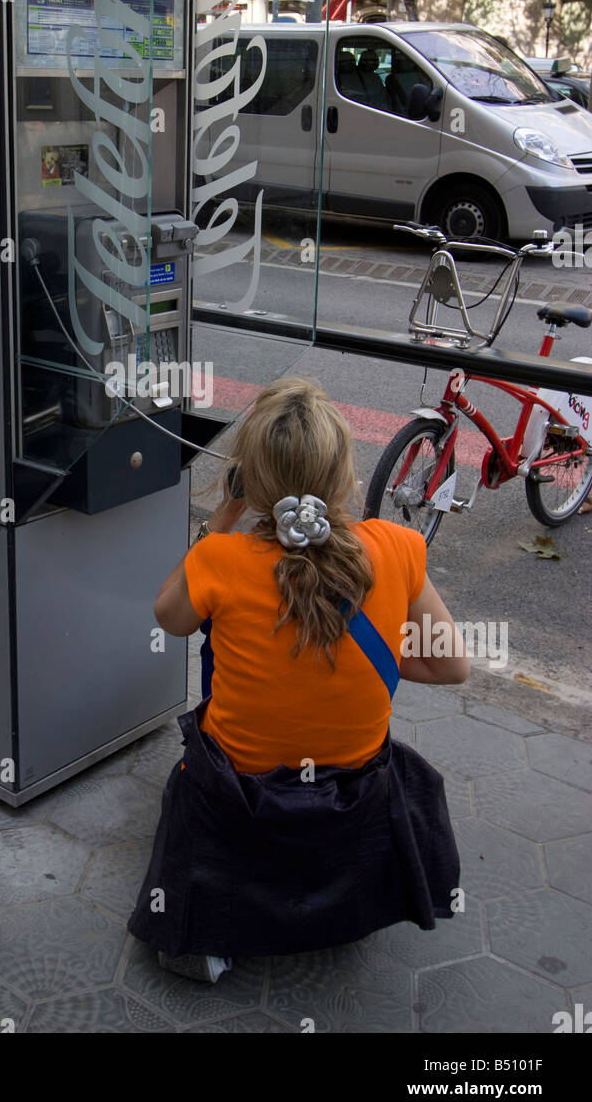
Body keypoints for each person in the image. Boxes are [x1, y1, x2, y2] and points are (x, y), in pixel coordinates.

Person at [128, 378, 469, 982]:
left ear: (249, 480)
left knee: (189, 780)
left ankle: (209, 928)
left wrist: (225, 516)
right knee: (404, 772)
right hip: (352, 795)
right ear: (343, 477)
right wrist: (377, 651)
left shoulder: (220, 561)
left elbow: (168, 616)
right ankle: (347, 895)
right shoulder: (396, 547)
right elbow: (450, 664)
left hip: (241, 796)